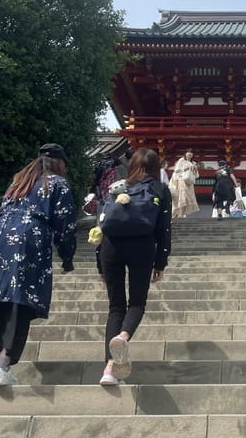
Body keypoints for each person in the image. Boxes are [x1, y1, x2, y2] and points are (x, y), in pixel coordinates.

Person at [0, 143, 76, 387]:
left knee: (1, 292)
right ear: (59, 163)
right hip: (29, 238)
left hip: (0, 236)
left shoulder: (19, 182)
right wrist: (67, 258)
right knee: (21, 302)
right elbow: (65, 224)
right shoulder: (57, 184)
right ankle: (2, 367)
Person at [98, 147, 172, 385]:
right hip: (142, 246)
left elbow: (102, 224)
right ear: (155, 168)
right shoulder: (160, 189)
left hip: (111, 247)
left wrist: (100, 264)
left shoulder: (117, 186)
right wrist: (161, 261)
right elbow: (164, 229)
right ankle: (123, 336)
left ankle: (109, 369)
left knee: (115, 307)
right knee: (137, 302)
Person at [169, 148, 199, 218]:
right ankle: (180, 215)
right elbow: (176, 170)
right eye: (188, 153)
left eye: (191, 154)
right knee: (182, 197)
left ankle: (182, 214)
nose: (189, 155)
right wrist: (186, 168)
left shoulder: (194, 163)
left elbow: (196, 175)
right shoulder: (181, 160)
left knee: (188, 198)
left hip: (189, 183)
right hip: (182, 180)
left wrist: (195, 169)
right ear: (185, 154)